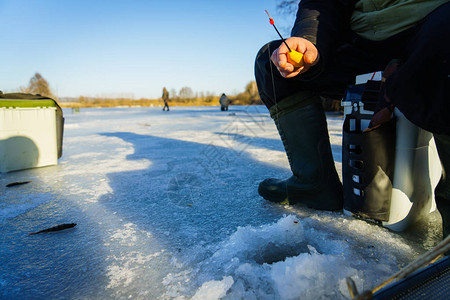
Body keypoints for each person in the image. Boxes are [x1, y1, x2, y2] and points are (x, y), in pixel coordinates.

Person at [254, 1, 450, 238]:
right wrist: (308, 40)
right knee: (271, 63)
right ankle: (314, 184)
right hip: (365, 41)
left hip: (433, 24)